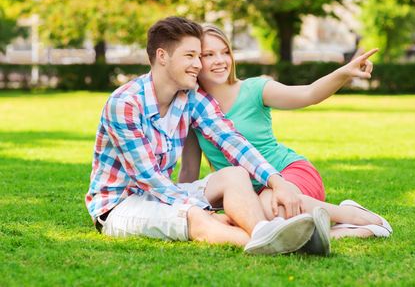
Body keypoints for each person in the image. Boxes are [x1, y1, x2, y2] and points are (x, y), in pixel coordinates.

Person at [85, 16, 324, 255]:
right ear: (162, 56)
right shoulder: (125, 104)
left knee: (235, 174)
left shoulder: (190, 97)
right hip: (120, 205)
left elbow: (233, 141)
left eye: (199, 56)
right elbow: (148, 178)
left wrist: (276, 181)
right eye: (189, 56)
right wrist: (202, 209)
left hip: (161, 195)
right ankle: (289, 243)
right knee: (196, 216)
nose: (199, 65)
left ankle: (265, 230)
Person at [181, 24, 393, 241]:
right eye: (209, 55)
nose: (220, 60)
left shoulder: (255, 89)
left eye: (225, 52)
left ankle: (353, 215)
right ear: (196, 60)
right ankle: (336, 233)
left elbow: (308, 94)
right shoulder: (192, 111)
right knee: (258, 220)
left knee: (269, 212)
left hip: (288, 174)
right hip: (249, 195)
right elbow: (189, 171)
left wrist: (345, 72)